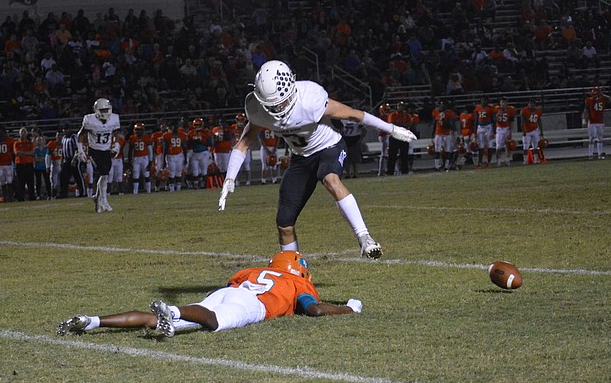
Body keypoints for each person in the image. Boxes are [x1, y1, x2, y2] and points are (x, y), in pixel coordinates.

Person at [219, 60, 417, 259]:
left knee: (330, 178)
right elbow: (243, 144)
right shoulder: (257, 108)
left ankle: (365, 238)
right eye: (272, 105)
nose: (278, 108)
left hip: (328, 147)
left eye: (281, 102)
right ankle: (292, 268)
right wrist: (230, 177)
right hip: (300, 158)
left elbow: (354, 115)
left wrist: (391, 129)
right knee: (284, 222)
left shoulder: (310, 98)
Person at [57, 251, 363, 338]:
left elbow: (230, 284)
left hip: (227, 291)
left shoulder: (255, 270)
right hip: (252, 303)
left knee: (156, 320)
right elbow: (314, 310)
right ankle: (173, 311)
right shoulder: (298, 283)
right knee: (214, 321)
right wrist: (349, 309)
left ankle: (92, 320)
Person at [77, 98, 121, 212]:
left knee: (105, 175)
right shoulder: (90, 120)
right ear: (96, 110)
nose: (105, 112)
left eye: (106, 110)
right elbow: (81, 134)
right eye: (102, 110)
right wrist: (80, 150)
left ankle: (97, 197)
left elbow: (116, 133)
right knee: (104, 173)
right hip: (94, 150)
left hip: (106, 150)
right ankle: (103, 200)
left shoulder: (114, 119)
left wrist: (116, 144)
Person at [582, 86, 611, 160]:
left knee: (600, 138)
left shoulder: (603, 99)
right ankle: (590, 155)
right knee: (591, 138)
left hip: (600, 122)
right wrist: (584, 119)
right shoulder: (589, 100)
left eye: (595, 94)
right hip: (592, 122)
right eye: (593, 94)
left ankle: (600, 154)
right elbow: (586, 110)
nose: (593, 95)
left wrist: (603, 95)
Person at [387, 102, 413, 176]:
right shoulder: (393, 115)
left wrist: (400, 125)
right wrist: (402, 125)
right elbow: (392, 124)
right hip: (394, 136)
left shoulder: (407, 115)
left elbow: (409, 124)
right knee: (392, 155)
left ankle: (404, 170)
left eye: (402, 106)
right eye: (399, 106)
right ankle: (390, 171)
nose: (400, 107)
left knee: (404, 155)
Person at [126, 122, 153, 195]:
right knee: (135, 176)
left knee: (146, 175)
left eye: (140, 129)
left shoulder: (146, 138)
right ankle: (135, 192)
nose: (138, 131)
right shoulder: (132, 138)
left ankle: (148, 191)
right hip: (136, 158)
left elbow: (150, 150)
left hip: (144, 158)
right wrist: (129, 160)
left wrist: (150, 160)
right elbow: (130, 150)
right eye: (137, 129)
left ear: (143, 130)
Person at [13, 127, 36, 202]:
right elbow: (17, 153)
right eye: (22, 132)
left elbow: (32, 153)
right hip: (20, 164)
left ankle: (32, 197)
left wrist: (22, 153)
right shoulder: (16, 143)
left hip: (29, 164)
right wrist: (27, 153)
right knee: (21, 182)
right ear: (19, 134)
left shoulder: (30, 143)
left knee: (30, 182)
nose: (23, 133)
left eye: (24, 132)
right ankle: (21, 198)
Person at [520, 99, 545, 165]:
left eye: (532, 103)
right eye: (530, 103)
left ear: (535, 104)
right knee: (525, 146)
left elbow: (539, 121)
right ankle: (525, 160)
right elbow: (522, 122)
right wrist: (523, 131)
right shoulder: (525, 110)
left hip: (535, 130)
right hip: (527, 131)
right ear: (528, 104)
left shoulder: (537, 111)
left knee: (536, 146)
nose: (531, 105)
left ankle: (536, 159)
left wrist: (541, 131)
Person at [493, 97, 517, 166]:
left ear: (507, 103)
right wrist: (498, 114)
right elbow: (493, 120)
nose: (503, 104)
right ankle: (498, 161)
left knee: (508, 145)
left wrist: (510, 131)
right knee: (498, 146)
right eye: (502, 102)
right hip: (499, 129)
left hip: (507, 128)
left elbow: (511, 121)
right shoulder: (496, 109)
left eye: (505, 102)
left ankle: (507, 160)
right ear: (500, 103)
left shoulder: (510, 109)